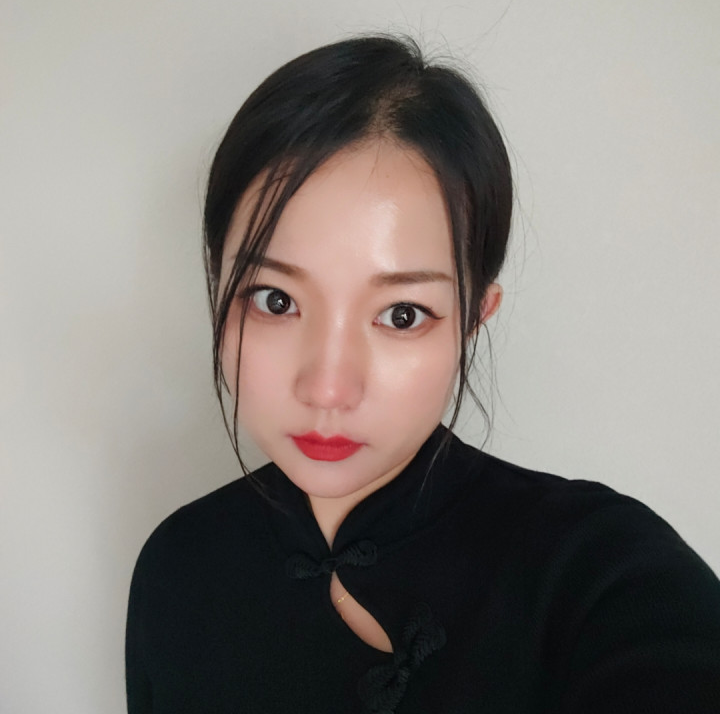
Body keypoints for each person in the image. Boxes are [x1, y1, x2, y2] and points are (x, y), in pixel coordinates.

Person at [125, 35, 720, 713]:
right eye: (275, 300)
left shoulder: (601, 575)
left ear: (474, 318)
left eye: (402, 314)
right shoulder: (177, 567)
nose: (328, 388)